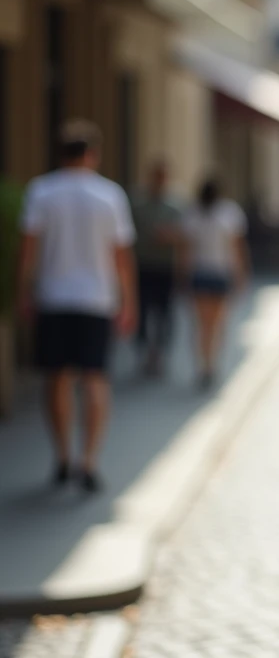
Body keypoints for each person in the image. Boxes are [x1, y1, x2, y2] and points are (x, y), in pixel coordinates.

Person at [16, 119, 137, 493]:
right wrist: (128, 300)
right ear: (93, 154)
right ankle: (89, 460)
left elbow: (28, 251)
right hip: (96, 299)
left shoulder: (41, 191)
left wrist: (23, 291)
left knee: (57, 378)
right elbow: (121, 255)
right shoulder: (110, 195)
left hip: (54, 296)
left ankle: (64, 455)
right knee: (94, 378)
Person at [180, 178, 248, 390]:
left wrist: (182, 276)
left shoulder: (194, 213)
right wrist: (241, 275)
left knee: (203, 325)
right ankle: (210, 364)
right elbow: (237, 248)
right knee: (216, 324)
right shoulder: (228, 212)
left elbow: (186, 251)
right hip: (218, 273)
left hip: (202, 273)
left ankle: (205, 364)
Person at [130, 160, 182, 377]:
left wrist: (169, 237)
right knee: (142, 312)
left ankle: (158, 354)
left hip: (165, 267)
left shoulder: (176, 206)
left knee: (164, 314)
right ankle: (144, 352)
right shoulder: (138, 205)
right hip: (143, 265)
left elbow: (184, 237)